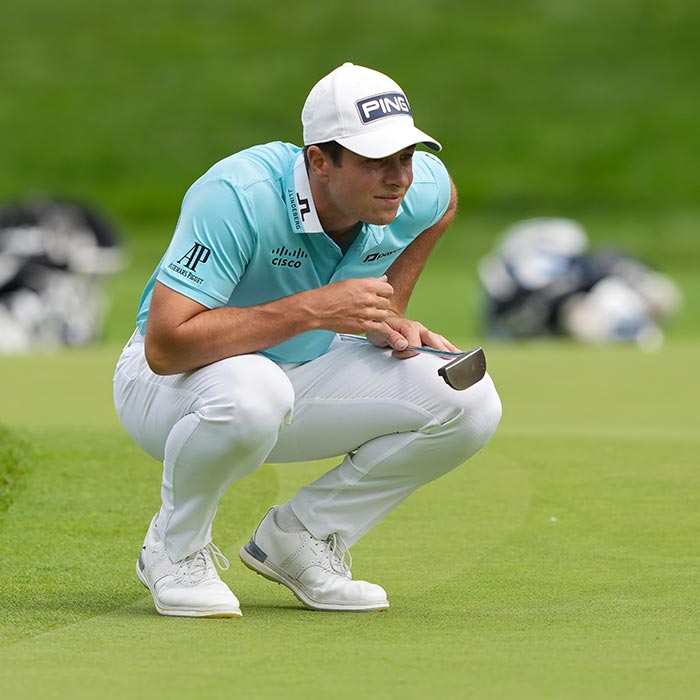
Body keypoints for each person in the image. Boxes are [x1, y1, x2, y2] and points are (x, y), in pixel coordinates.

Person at [113, 62, 502, 618]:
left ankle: (299, 538)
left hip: (301, 371)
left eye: (406, 156)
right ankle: (174, 551)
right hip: (168, 388)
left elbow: (443, 202)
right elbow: (165, 347)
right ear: (320, 161)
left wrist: (387, 310)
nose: (398, 178)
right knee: (255, 390)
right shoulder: (237, 195)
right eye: (375, 161)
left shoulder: (418, 189)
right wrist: (315, 309)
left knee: (468, 399)